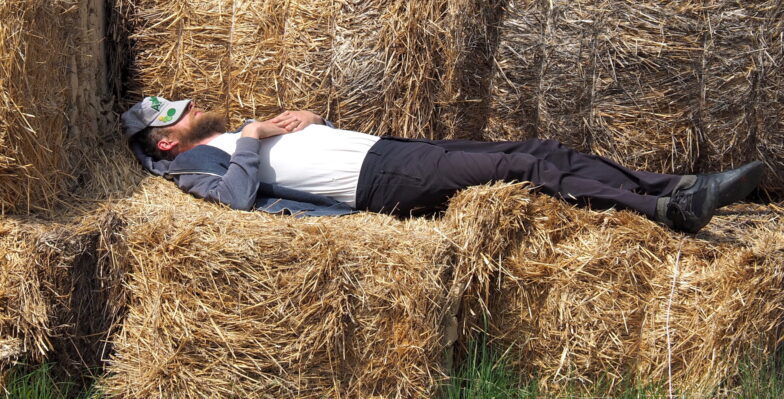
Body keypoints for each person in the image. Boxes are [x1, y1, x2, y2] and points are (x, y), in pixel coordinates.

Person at [122, 96, 766, 233]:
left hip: (384, 150)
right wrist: (255, 135)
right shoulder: (192, 170)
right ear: (166, 144)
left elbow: (270, 151)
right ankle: (666, 211)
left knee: (538, 149)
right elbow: (237, 199)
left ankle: (682, 185)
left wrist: (311, 123)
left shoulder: (223, 138)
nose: (190, 107)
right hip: (375, 184)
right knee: (522, 170)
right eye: (173, 115)